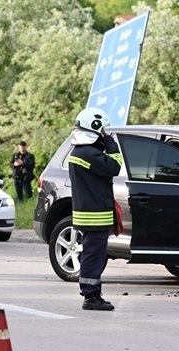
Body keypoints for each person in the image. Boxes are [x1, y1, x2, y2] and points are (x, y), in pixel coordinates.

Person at [68, 107, 122, 311]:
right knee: (94, 255)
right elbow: (115, 167)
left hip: (88, 213)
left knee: (92, 254)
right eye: (103, 131)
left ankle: (92, 292)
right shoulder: (89, 153)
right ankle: (91, 297)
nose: (105, 134)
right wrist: (112, 145)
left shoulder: (80, 152)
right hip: (95, 215)